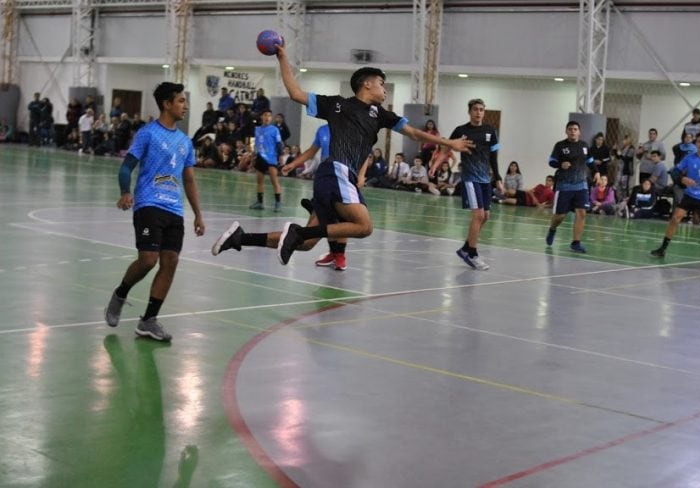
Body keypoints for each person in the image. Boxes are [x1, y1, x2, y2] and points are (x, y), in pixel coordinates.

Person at [211, 45, 473, 266]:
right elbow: (295, 93)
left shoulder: (381, 115)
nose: (385, 90)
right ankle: (297, 231)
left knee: (306, 243)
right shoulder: (337, 104)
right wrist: (282, 58)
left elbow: (414, 133)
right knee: (364, 226)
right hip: (336, 170)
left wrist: (446, 142)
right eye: (382, 85)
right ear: (367, 84)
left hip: (338, 177)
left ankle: (240, 238)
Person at [104, 82, 206, 342]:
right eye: (181, 101)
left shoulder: (185, 141)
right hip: (149, 203)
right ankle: (121, 293)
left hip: (174, 208)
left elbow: (190, 180)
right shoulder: (148, 133)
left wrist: (198, 214)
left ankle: (149, 320)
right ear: (167, 104)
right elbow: (126, 167)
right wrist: (125, 192)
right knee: (148, 259)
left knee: (170, 262)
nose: (185, 105)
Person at [650, 133, 700, 263]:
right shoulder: (689, 158)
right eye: (698, 141)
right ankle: (662, 249)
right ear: (695, 144)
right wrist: (683, 178)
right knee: (675, 219)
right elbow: (674, 171)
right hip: (690, 195)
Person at [281, 124, 350, 271]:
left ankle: (340, 255)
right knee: (328, 217)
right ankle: (333, 253)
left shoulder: (350, 128)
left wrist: (361, 175)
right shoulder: (322, 130)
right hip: (325, 178)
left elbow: (361, 153)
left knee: (342, 217)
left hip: (344, 178)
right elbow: (311, 152)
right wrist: (293, 164)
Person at [451, 98, 500, 270]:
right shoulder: (461, 130)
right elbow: (447, 146)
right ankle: (472, 254)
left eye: (481, 109)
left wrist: (498, 178)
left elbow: (494, 157)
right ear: (469, 111)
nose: (478, 112)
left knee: (485, 216)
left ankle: (465, 248)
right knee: (478, 216)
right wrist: (438, 162)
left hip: (485, 179)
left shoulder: (490, 131)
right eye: (475, 109)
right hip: (470, 179)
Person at [545, 120, 595, 253]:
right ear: (566, 131)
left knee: (582, 213)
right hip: (564, 185)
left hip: (581, 185)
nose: (573, 131)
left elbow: (590, 161)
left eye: (575, 129)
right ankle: (552, 229)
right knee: (560, 216)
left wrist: (597, 172)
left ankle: (576, 242)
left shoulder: (584, 145)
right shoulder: (560, 146)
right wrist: (561, 164)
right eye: (570, 129)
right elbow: (551, 161)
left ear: (579, 132)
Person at [248, 109, 284, 212]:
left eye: (269, 116)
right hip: (260, 158)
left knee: (274, 181)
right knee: (260, 181)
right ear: (261, 117)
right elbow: (256, 144)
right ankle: (260, 202)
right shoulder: (257, 129)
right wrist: (253, 156)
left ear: (271, 118)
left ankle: (278, 204)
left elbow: (279, 144)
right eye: (265, 115)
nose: (267, 117)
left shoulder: (274, 130)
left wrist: (280, 156)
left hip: (271, 158)